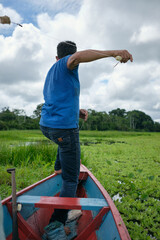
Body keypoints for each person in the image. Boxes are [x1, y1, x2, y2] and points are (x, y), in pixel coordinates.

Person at [39, 41, 133, 227]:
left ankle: (59, 167)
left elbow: (59, 98)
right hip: (64, 129)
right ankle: (56, 225)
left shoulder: (53, 70)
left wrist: (77, 111)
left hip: (47, 126)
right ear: (66, 59)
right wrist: (114, 51)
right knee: (71, 179)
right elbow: (76, 57)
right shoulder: (70, 63)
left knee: (63, 143)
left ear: (56, 57)